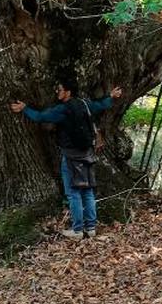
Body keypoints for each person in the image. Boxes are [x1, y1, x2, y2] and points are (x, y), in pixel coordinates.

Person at [9, 78, 122, 239]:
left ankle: (77, 230)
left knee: (74, 193)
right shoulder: (84, 104)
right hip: (88, 154)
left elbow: (41, 117)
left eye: (60, 90)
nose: (57, 92)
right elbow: (99, 106)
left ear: (68, 92)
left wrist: (25, 108)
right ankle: (90, 228)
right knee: (88, 191)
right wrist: (111, 96)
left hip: (70, 156)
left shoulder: (62, 110)